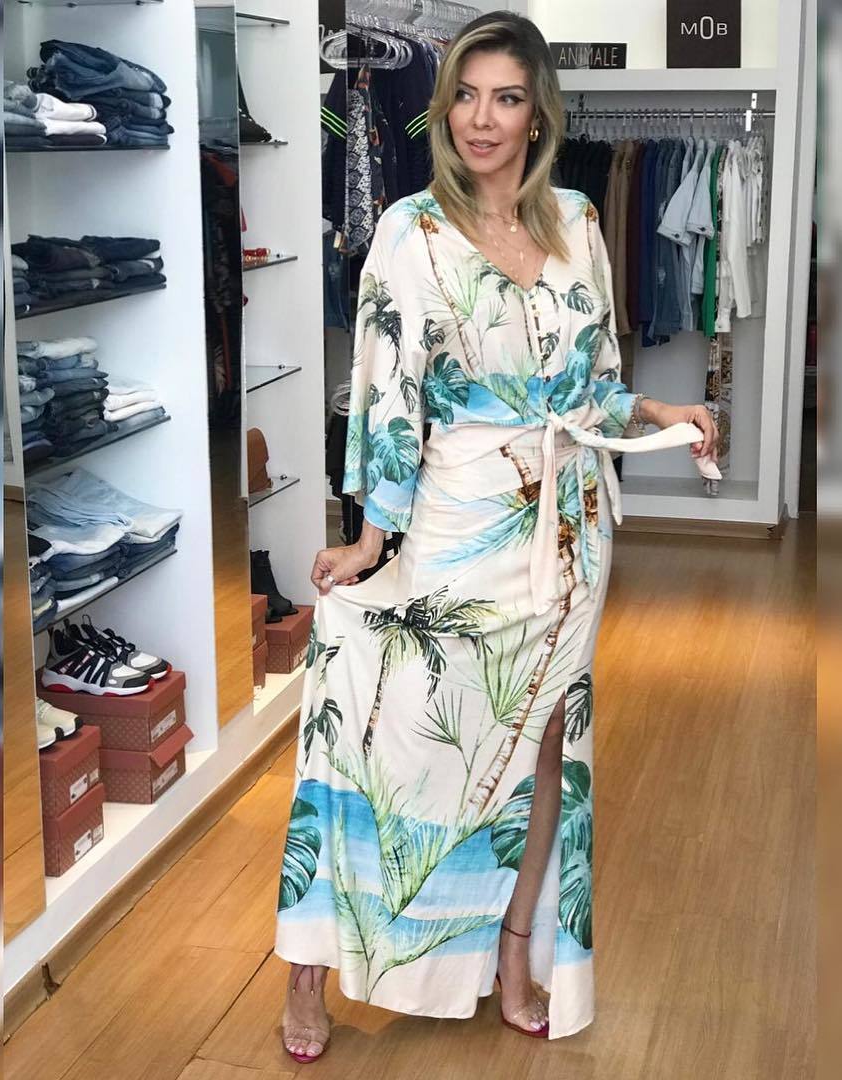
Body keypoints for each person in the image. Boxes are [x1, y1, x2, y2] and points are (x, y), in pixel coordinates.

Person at [276, 11, 720, 1062]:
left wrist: (659, 413)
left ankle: (515, 953)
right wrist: (372, 539)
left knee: (544, 746)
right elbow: (387, 397)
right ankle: (310, 964)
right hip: (459, 520)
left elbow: (595, 389)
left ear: (537, 117)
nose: (481, 119)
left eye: (506, 98)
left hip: (569, 535)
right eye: (466, 96)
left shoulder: (578, 221)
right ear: (443, 111)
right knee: (385, 731)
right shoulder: (408, 231)